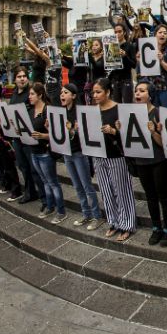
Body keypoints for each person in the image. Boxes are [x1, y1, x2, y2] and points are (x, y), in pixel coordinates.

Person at [128, 81, 167, 247]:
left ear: (150, 95)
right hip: (141, 161)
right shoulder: (131, 114)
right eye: (136, 91)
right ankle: (156, 227)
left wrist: (154, 132)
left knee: (163, 196)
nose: (137, 93)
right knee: (150, 196)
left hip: (159, 161)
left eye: (142, 91)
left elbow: (166, 145)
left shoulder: (158, 113)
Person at [92, 78, 137, 241]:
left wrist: (114, 132)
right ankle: (113, 221)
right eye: (94, 92)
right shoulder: (92, 111)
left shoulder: (119, 109)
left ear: (108, 92)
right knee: (106, 191)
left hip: (116, 156)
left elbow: (129, 135)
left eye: (98, 92)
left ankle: (127, 224)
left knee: (122, 191)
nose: (95, 95)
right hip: (98, 155)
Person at [58, 83, 104, 230]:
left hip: (79, 153)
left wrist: (74, 130)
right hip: (67, 153)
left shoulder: (79, 112)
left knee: (87, 186)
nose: (62, 95)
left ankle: (97, 216)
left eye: (65, 92)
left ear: (73, 96)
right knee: (77, 186)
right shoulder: (61, 112)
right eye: (61, 92)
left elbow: (87, 134)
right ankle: (86, 214)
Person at [27, 83, 67, 224]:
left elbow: (57, 134)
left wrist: (43, 136)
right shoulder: (31, 111)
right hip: (34, 151)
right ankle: (50, 206)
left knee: (53, 182)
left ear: (40, 95)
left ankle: (61, 211)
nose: (29, 97)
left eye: (32, 94)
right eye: (29, 94)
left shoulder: (48, 110)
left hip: (45, 152)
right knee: (45, 181)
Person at [7, 66, 46, 207]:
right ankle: (30, 192)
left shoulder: (30, 93)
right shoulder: (14, 94)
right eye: (19, 76)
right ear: (15, 79)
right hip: (17, 136)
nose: (22, 79)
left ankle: (44, 197)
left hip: (29, 136)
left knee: (34, 169)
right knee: (23, 166)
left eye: (24, 76)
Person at [108, 22, 137, 103]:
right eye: (115, 32)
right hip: (115, 80)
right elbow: (110, 66)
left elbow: (134, 65)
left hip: (126, 80)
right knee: (116, 105)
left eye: (119, 31)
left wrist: (125, 56)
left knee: (127, 105)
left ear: (124, 32)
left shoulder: (130, 46)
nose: (117, 34)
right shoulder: (111, 46)